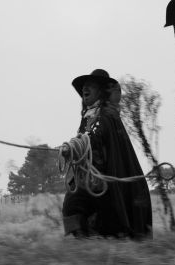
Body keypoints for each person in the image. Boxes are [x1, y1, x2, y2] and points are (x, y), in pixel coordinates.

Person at [60, 69, 152, 239]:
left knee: (110, 217)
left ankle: (111, 242)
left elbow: (96, 136)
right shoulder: (87, 116)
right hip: (86, 176)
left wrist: (78, 145)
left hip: (105, 175)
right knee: (71, 205)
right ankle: (84, 241)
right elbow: (84, 140)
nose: (85, 89)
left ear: (100, 92)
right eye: (84, 87)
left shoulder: (107, 115)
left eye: (90, 86)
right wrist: (70, 151)